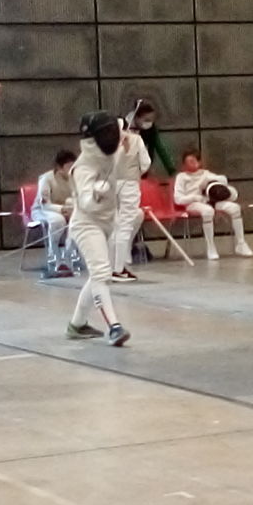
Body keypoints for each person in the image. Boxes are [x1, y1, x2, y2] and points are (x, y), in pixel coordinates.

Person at [66, 111, 131, 346]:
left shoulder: (110, 153)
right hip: (86, 224)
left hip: (107, 222)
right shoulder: (83, 167)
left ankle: (77, 325)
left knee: (97, 275)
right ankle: (114, 327)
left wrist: (125, 136)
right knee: (102, 273)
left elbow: (123, 127)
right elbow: (86, 204)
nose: (113, 136)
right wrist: (96, 194)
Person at [173, 149, 253, 260]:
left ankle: (241, 243)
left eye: (193, 161)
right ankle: (211, 247)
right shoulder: (181, 177)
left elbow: (223, 180)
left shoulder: (206, 174)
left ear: (199, 161)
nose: (190, 164)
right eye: (187, 162)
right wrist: (194, 197)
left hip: (210, 201)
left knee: (235, 208)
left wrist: (211, 179)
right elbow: (178, 199)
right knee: (208, 211)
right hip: (193, 204)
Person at [109, 118, 151, 282]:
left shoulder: (104, 140)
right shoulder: (135, 139)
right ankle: (118, 269)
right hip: (129, 184)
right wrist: (135, 174)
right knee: (125, 225)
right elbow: (145, 163)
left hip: (110, 185)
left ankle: (111, 268)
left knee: (113, 226)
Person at [32, 150, 77, 275]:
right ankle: (54, 255)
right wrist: (62, 210)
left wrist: (72, 208)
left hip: (67, 209)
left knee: (78, 221)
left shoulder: (75, 178)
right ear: (59, 167)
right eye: (68, 166)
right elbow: (44, 203)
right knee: (58, 220)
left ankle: (68, 255)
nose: (72, 169)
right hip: (43, 210)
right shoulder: (46, 179)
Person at [126, 101, 177, 177]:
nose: (149, 123)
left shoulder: (151, 129)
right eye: (147, 120)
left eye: (151, 120)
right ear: (136, 117)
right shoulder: (124, 126)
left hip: (142, 165)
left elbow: (160, 149)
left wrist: (171, 170)